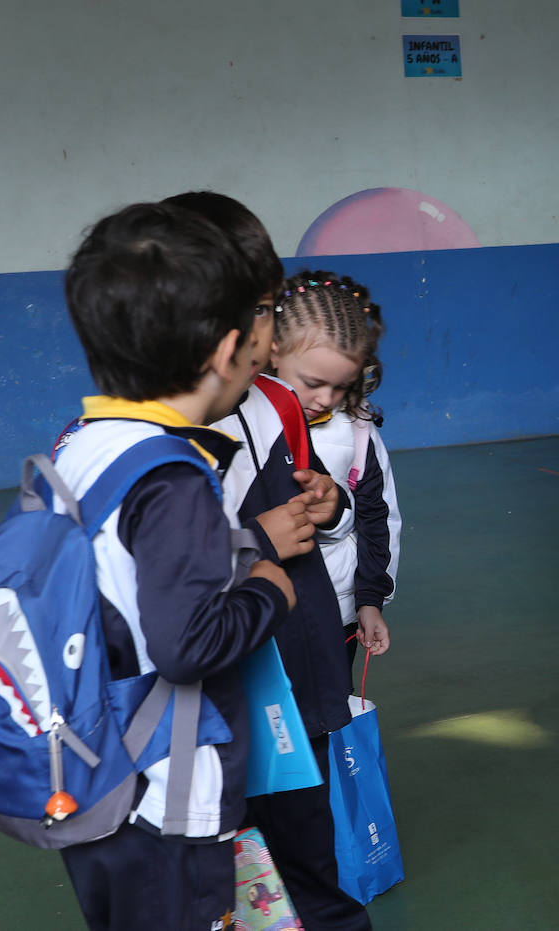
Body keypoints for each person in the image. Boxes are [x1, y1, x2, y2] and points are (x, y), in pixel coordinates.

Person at [53, 202, 296, 929]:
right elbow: (185, 644)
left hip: (92, 770)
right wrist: (267, 591)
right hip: (167, 793)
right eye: (260, 317)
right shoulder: (174, 478)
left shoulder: (86, 444)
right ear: (227, 350)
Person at [167, 192, 374, 931]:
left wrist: (327, 503)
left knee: (311, 850)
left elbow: (326, 497)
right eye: (260, 309)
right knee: (220, 852)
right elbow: (161, 575)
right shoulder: (154, 434)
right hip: (219, 679)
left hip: (298, 659)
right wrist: (255, 538)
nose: (271, 326)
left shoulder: (281, 403)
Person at [270, 270, 400, 667]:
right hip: (264, 614)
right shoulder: (236, 422)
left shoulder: (359, 431)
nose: (325, 398)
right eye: (312, 381)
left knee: (327, 717)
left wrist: (370, 600)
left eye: (341, 386)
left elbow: (379, 517)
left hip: (338, 614)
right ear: (273, 351)